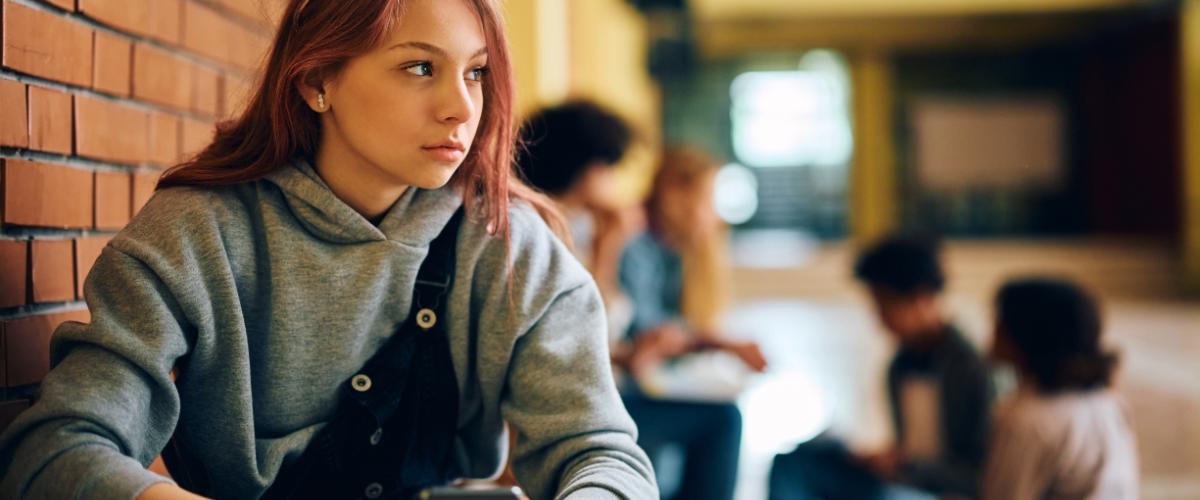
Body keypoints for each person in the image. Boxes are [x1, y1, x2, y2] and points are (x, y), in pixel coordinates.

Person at [0, 1, 657, 499]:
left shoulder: (511, 245)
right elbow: (56, 449)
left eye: (478, 73)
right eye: (420, 67)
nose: (462, 107)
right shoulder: (197, 234)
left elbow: (602, 452)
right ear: (317, 82)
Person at [770, 235, 993, 500]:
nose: (879, 321)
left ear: (922, 297)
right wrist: (884, 460)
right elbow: (912, 448)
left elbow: (980, 476)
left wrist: (907, 466)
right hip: (906, 482)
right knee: (796, 461)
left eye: (885, 307)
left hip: (943, 493)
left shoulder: (971, 369)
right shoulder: (899, 366)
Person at [616, 147, 767, 500]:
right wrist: (721, 344)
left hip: (647, 381)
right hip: (625, 389)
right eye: (707, 199)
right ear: (673, 195)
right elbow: (647, 332)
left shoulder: (676, 248)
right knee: (725, 421)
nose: (715, 216)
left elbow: (675, 329)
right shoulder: (633, 242)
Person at [982, 278, 1138, 500]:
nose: (993, 332)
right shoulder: (1109, 402)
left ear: (1029, 334)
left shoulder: (1028, 421)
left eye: (1000, 322)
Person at [517, 101, 640, 342]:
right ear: (583, 168)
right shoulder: (533, 226)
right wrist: (607, 247)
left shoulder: (582, 222)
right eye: (608, 167)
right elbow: (585, 327)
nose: (612, 180)